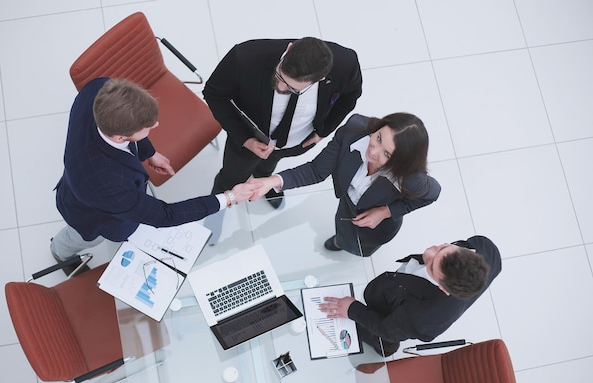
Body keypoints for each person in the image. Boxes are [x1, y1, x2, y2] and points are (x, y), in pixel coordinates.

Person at [51, 77, 258, 272]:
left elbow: (129, 130)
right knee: (80, 237)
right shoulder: (107, 185)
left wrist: (149, 152)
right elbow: (166, 215)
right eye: (148, 128)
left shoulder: (98, 89)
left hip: (91, 182)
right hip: (90, 214)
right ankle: (59, 254)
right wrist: (229, 197)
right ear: (120, 137)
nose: (156, 126)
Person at [248, 113, 441, 256]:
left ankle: (344, 244)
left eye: (387, 154)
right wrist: (272, 180)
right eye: (379, 138)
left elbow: (432, 194)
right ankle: (340, 240)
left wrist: (386, 211)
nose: (374, 151)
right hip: (347, 205)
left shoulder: (412, 178)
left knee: (360, 245)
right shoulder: (354, 129)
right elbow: (316, 170)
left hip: (377, 226)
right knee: (342, 227)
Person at [203, 37, 362, 210]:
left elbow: (350, 97)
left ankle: (264, 179)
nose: (280, 86)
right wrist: (245, 139)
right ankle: (218, 201)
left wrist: (323, 132)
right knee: (231, 177)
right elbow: (213, 94)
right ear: (289, 48)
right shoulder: (245, 56)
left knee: (269, 165)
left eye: (292, 88)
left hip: (294, 142)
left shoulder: (346, 64)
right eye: (279, 75)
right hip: (247, 139)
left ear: (321, 78)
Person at [318, 235, 501, 357]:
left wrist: (352, 309)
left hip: (394, 317)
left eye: (431, 265)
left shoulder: (423, 317)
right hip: (401, 292)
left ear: (445, 290)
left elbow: (385, 328)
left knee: (385, 340)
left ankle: (384, 348)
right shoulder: (484, 247)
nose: (428, 252)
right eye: (442, 248)